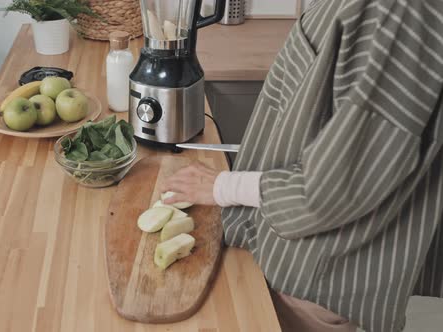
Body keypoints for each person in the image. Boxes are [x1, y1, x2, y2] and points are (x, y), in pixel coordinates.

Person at [162, 1, 443, 331]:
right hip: (284, 245)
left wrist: (224, 187)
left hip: (315, 272)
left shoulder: (397, 12)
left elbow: (336, 187)